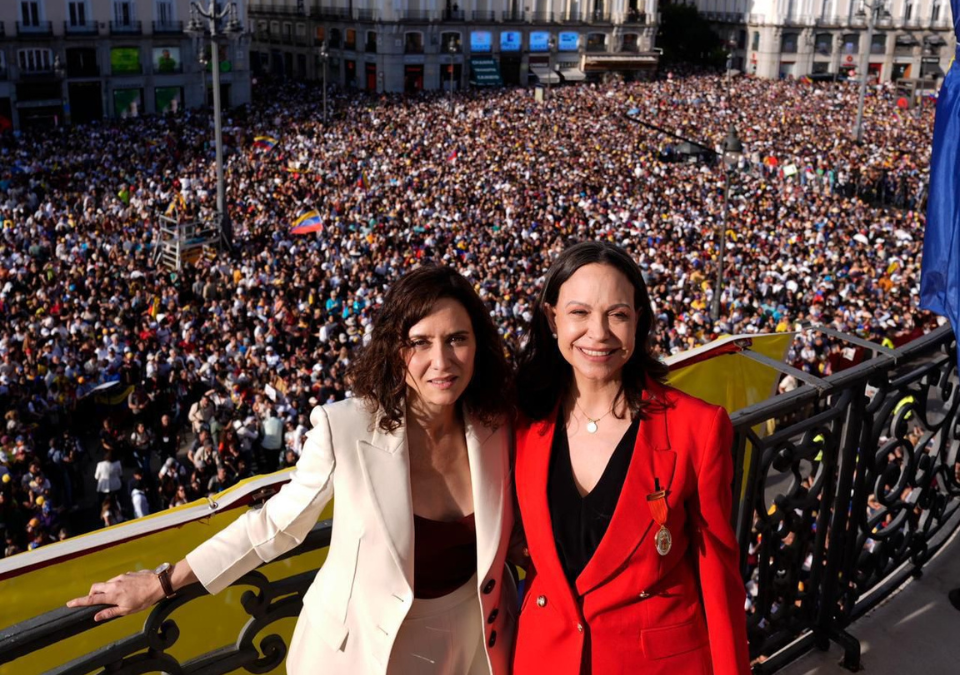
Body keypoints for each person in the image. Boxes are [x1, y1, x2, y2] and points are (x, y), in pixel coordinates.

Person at [67, 265, 518, 675]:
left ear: (478, 343)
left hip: (472, 647)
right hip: (358, 654)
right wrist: (162, 581)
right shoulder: (345, 427)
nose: (441, 361)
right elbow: (276, 524)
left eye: (457, 339)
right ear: (396, 352)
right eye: (420, 342)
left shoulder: (501, 428)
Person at [511, 242, 750, 675]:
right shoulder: (521, 420)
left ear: (639, 320)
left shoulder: (697, 427)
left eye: (617, 315)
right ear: (552, 318)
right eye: (579, 313)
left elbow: (718, 578)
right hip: (545, 657)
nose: (598, 333)